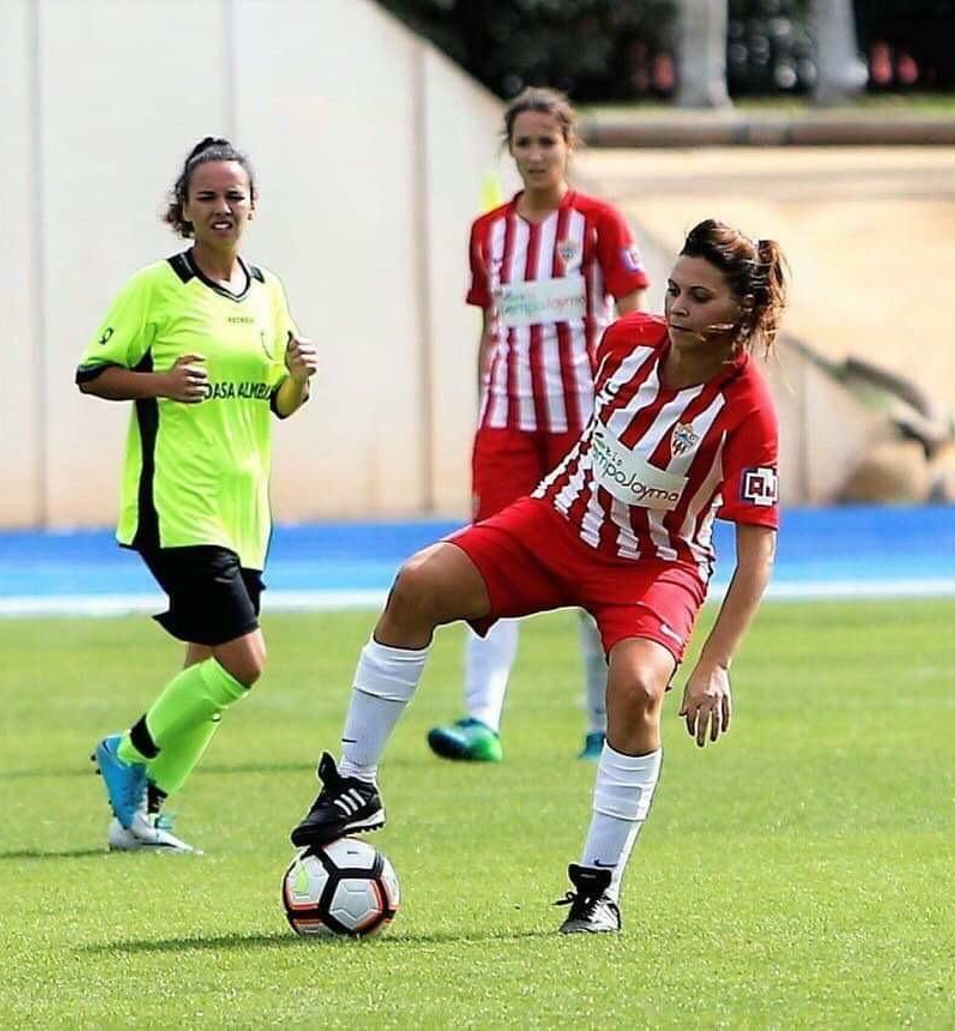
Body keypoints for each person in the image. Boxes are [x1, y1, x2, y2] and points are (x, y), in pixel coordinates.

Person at [291, 219, 787, 934]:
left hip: (654, 565)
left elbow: (758, 553)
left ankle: (599, 887)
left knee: (638, 688)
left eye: (699, 296)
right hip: (556, 524)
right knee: (415, 585)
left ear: (738, 314)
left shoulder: (748, 410)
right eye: (674, 288)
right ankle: (354, 783)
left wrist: (714, 664)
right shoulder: (624, 343)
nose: (676, 306)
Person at [77, 136, 317, 854]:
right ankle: (127, 749)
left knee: (208, 664)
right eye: (205, 196)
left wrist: (300, 377)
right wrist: (161, 384)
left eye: (233, 196)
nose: (221, 207)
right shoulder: (157, 286)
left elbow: (279, 402)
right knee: (245, 661)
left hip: (245, 508)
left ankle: (141, 815)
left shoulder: (268, 290)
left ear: (253, 206)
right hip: (177, 503)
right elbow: (93, 372)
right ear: (182, 207)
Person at [428, 87, 649, 766]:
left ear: (568, 145)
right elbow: (490, 326)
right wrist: (482, 398)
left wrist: (631, 408)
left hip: (586, 422)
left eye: (546, 141)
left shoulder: (599, 224)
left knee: (596, 570)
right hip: (508, 423)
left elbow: (635, 320)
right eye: (522, 143)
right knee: (485, 565)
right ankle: (479, 721)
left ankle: (599, 723)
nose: (534, 155)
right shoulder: (488, 233)